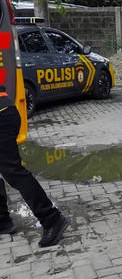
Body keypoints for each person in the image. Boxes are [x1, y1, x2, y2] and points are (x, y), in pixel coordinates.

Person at [0, 84, 70, 247]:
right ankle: (2, 221)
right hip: (5, 111)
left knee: (13, 172)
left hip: (2, 116)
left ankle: (52, 218)